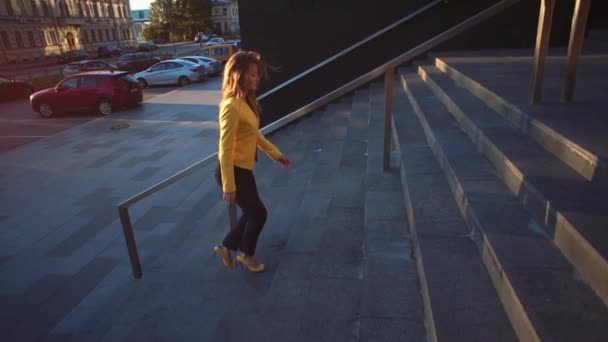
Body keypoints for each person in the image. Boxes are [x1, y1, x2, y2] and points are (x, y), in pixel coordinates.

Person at [214, 51, 291, 273]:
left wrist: (276, 155)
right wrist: (229, 186)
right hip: (233, 171)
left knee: (252, 211)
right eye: (251, 74)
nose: (256, 78)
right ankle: (246, 255)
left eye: (257, 75)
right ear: (238, 75)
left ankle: (227, 247)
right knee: (258, 213)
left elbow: (255, 135)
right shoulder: (230, 106)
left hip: (243, 170)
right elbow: (224, 148)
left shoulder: (245, 102)